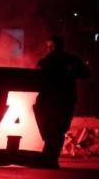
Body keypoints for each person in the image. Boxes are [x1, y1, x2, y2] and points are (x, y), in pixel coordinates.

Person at [36, 35, 91, 168]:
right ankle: (50, 158)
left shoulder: (48, 61)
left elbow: (37, 78)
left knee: (53, 129)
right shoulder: (69, 60)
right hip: (62, 100)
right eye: (48, 47)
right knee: (56, 129)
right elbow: (86, 73)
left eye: (50, 47)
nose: (48, 49)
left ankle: (49, 158)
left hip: (54, 100)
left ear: (56, 47)